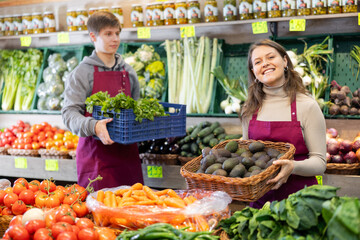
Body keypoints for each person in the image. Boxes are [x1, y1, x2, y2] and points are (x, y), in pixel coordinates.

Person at [61, 11, 143, 191]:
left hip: (127, 157)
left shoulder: (128, 71)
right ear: (93, 36)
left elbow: (137, 107)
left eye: (117, 33)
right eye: (108, 34)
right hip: (96, 159)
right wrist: (94, 125)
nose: (115, 39)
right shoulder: (81, 73)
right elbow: (69, 114)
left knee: (131, 211)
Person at [241, 39, 326, 208]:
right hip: (260, 204)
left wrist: (292, 166)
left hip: (301, 202)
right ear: (253, 71)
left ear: (285, 61)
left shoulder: (307, 105)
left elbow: (320, 163)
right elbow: (245, 155)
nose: (265, 64)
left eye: (270, 57)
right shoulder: (249, 108)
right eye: (258, 62)